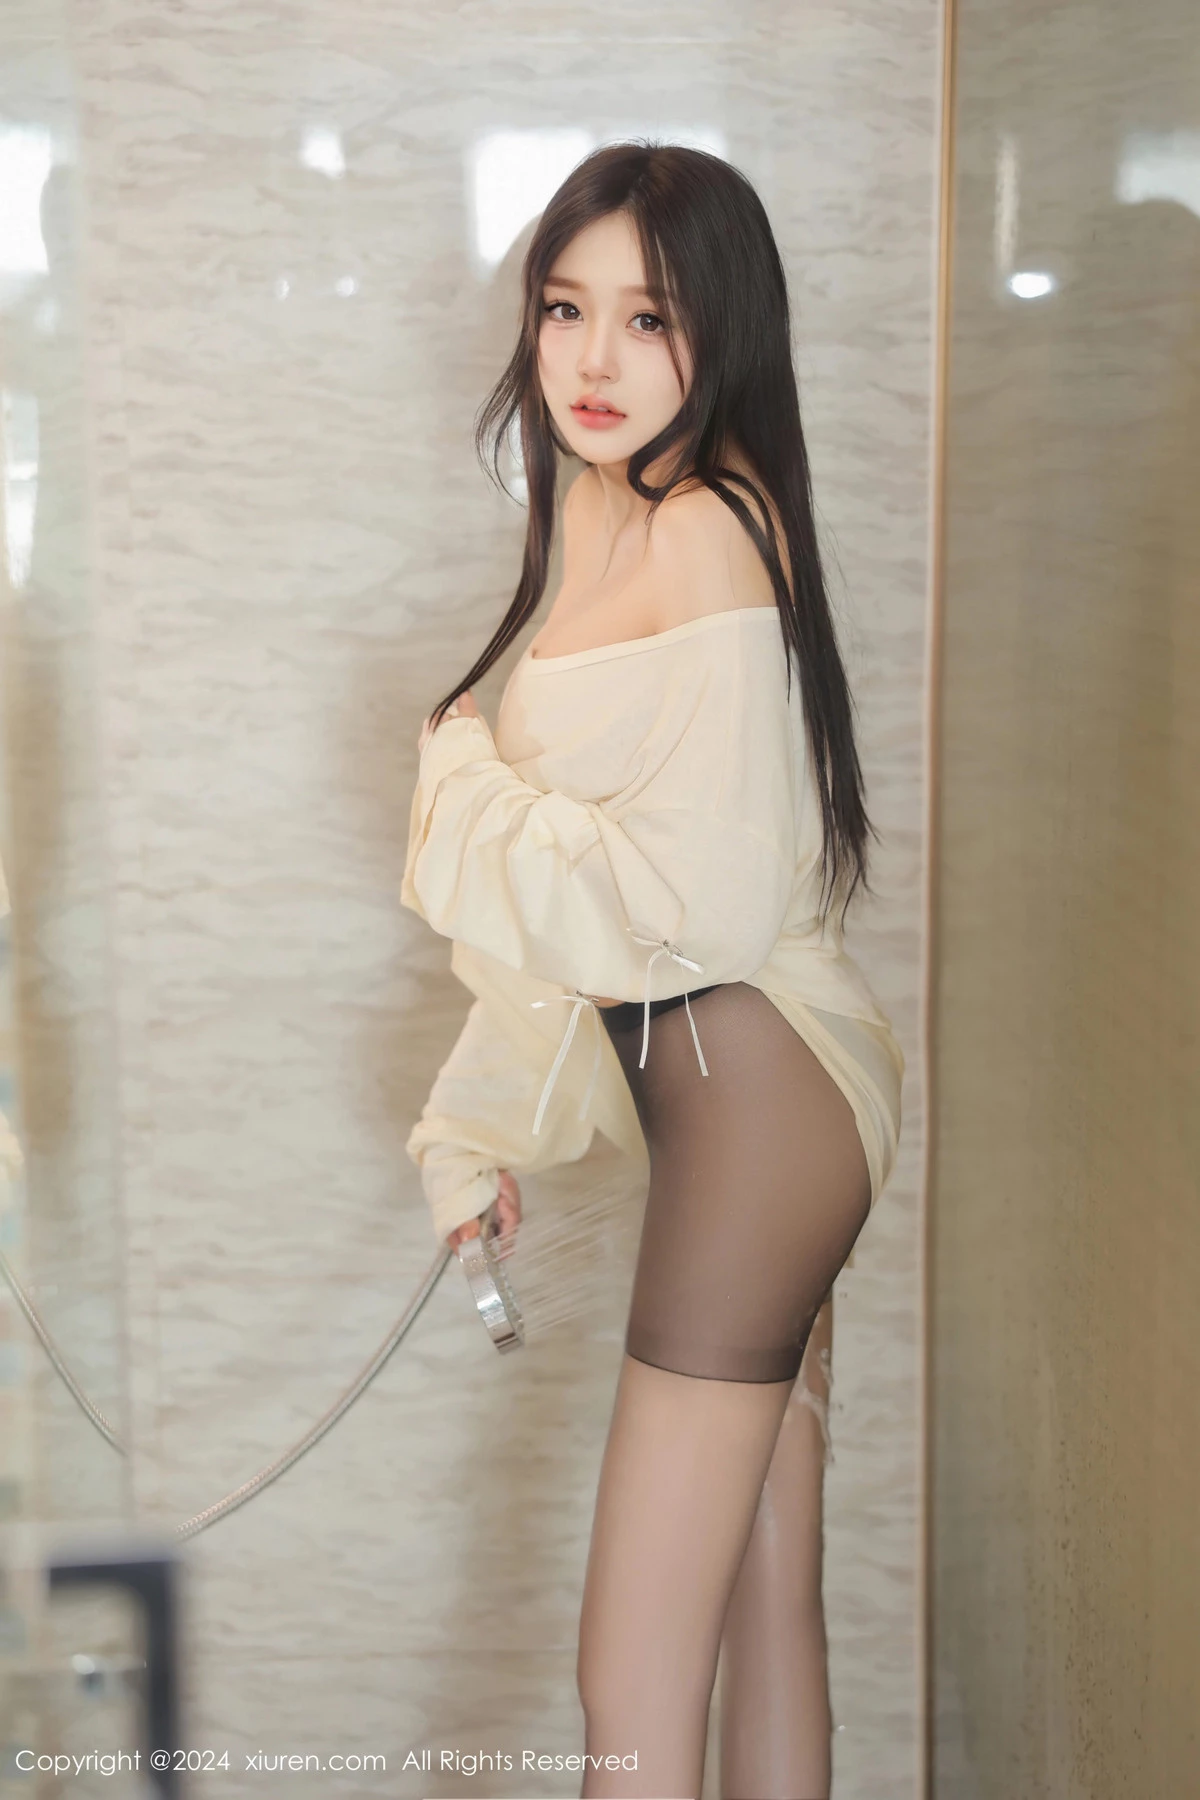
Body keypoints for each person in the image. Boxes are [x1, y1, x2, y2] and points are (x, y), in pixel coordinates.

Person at [402, 141, 904, 1800]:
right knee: (765, 1602)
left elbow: (692, 904)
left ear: (725, 328)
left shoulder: (704, 535)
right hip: (742, 1095)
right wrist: (471, 1127)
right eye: (567, 308)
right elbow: (584, 931)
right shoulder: (615, 511)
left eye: (649, 317)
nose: (593, 359)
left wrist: (458, 775)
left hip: (761, 1105)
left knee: (628, 1676)